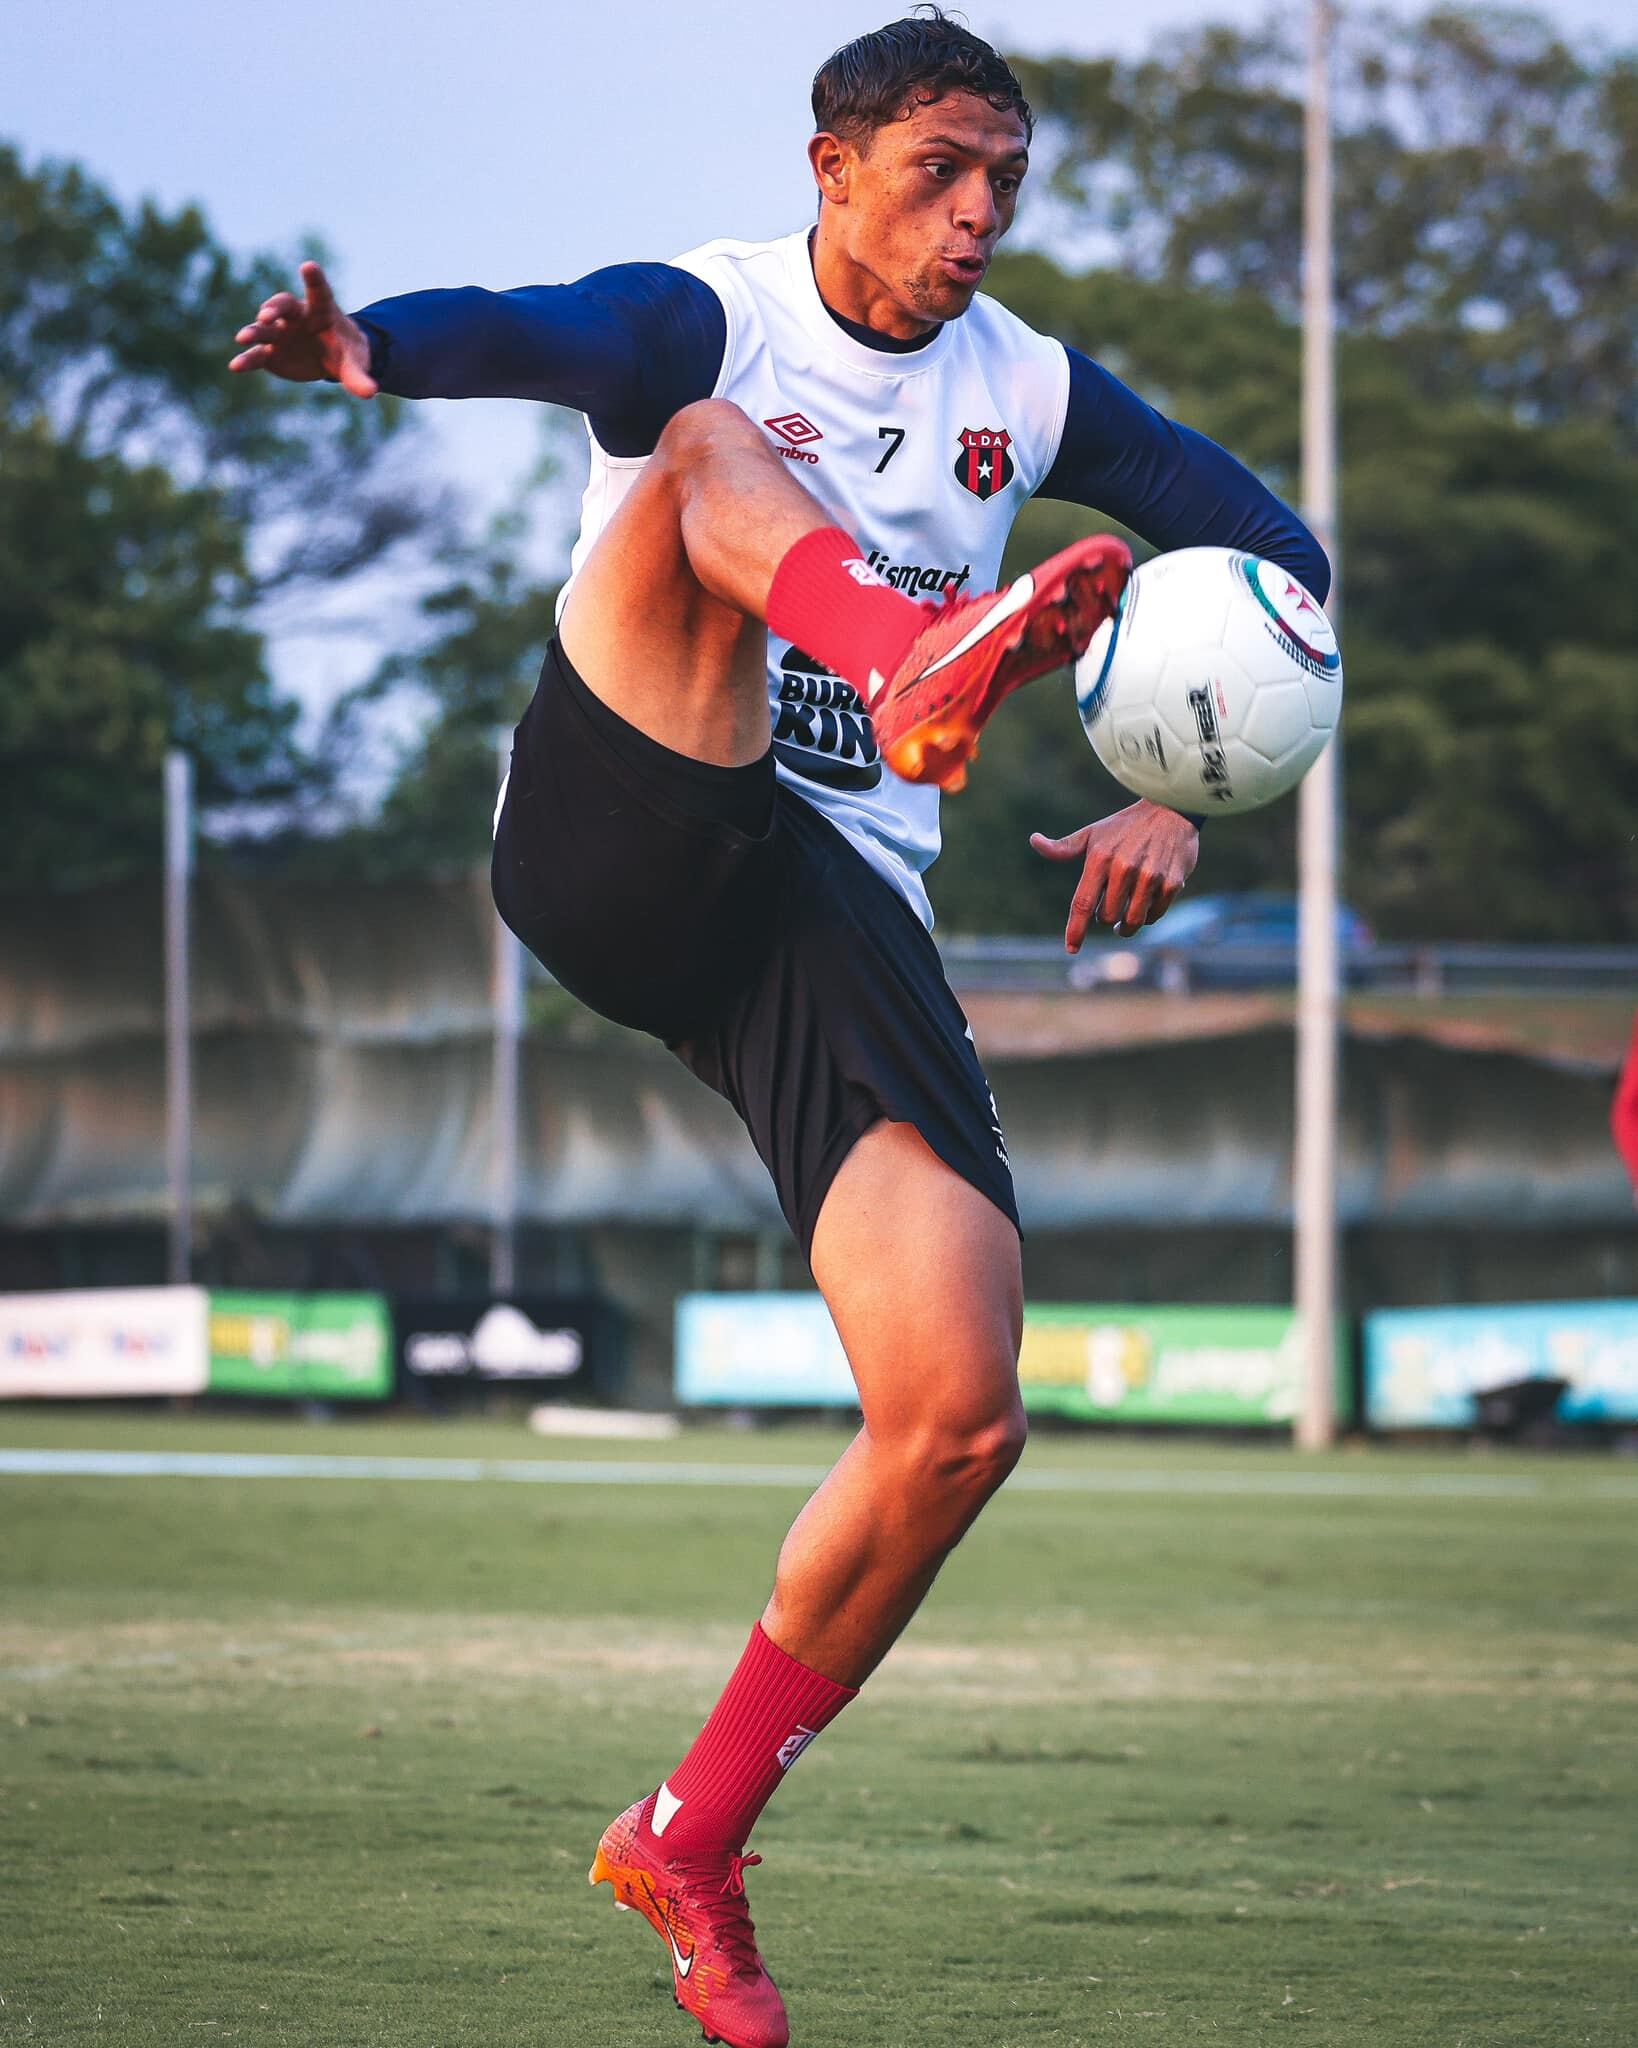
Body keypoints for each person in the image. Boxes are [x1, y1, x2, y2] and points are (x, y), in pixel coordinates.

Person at [230, 13, 1329, 2044]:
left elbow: (1279, 550)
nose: (978, 210)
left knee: (960, 1407)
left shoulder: (1028, 389)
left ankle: (690, 1831)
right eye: (937, 170)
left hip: (824, 897)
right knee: (704, 446)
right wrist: (370, 345)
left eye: (1005, 174)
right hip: (622, 807)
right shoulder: (716, 307)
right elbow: (552, 327)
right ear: (829, 167)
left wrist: (1194, 786)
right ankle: (914, 649)